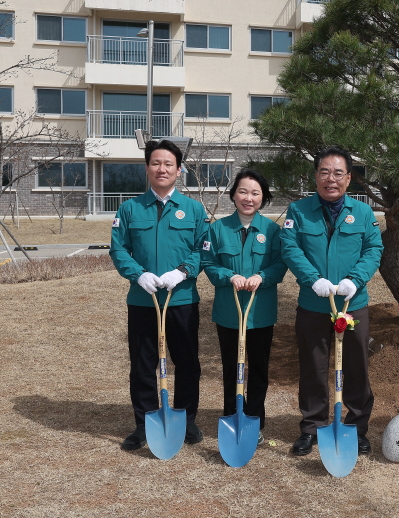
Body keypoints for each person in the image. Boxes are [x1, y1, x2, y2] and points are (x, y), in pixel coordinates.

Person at [279, 146, 383, 457]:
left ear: (349, 178)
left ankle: (356, 428)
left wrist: (355, 279)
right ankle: (312, 427)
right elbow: (290, 249)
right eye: (324, 172)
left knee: (356, 367)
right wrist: (313, 280)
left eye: (338, 173)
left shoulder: (363, 213)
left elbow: (373, 249)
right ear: (315, 176)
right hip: (314, 304)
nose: (331, 179)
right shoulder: (298, 211)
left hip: (353, 305)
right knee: (313, 367)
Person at [109, 139, 209, 451]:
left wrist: (182, 271)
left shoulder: (193, 209)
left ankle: (186, 418)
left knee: (187, 362)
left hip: (181, 300)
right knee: (142, 363)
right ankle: (144, 423)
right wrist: (138, 274)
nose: (161, 169)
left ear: (179, 171)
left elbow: (203, 248)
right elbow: (118, 249)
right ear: (147, 169)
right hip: (143, 300)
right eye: (155, 163)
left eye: (168, 164)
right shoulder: (129, 208)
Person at [201, 169, 288, 443]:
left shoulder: (273, 231)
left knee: (259, 369)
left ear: (263, 198)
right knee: (231, 367)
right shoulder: (217, 229)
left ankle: (255, 422)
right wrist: (229, 276)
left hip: (260, 313)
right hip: (229, 311)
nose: (248, 198)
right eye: (242, 191)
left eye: (255, 193)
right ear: (233, 195)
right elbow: (208, 263)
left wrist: (262, 276)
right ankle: (231, 417)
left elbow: (281, 264)